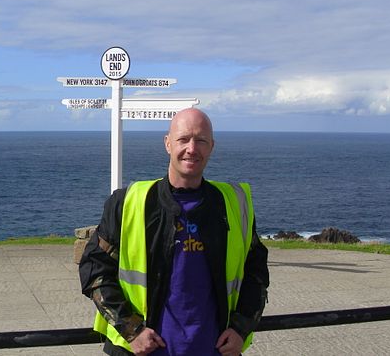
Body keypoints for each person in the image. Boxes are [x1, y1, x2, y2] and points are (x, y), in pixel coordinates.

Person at [79, 108, 269, 356]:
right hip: (143, 352)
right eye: (183, 139)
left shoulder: (234, 203)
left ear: (211, 146)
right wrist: (131, 330)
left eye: (201, 140)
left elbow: (256, 272)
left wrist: (241, 327)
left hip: (214, 349)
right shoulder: (129, 202)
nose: (192, 148)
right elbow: (94, 268)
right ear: (168, 144)